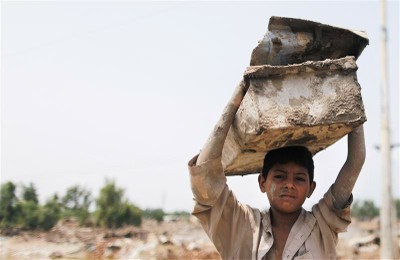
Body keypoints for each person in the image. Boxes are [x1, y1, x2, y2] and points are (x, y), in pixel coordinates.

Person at [188, 79, 366, 259]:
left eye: (299, 178)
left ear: (311, 188)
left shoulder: (323, 225)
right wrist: (233, 105)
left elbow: (355, 162)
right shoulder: (244, 225)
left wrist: (351, 101)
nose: (289, 185)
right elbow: (205, 179)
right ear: (262, 182)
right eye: (280, 176)